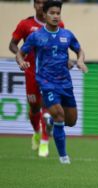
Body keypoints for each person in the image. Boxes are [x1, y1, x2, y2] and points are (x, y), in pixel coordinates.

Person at [16, 0, 88, 164]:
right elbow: (20, 52)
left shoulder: (67, 35)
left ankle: (49, 122)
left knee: (71, 121)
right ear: (45, 14)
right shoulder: (36, 36)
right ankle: (63, 157)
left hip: (65, 83)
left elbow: (79, 50)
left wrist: (80, 60)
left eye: (58, 13)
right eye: (52, 13)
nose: (55, 16)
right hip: (47, 83)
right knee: (59, 115)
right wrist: (21, 61)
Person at [9, 0, 65, 157]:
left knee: (48, 108)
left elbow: (62, 45)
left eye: (43, 3)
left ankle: (45, 142)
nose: (41, 5)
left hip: (51, 74)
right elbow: (12, 44)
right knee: (34, 107)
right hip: (31, 73)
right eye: (38, 2)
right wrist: (21, 56)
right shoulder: (25, 25)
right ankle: (36, 132)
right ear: (34, 4)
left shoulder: (59, 24)